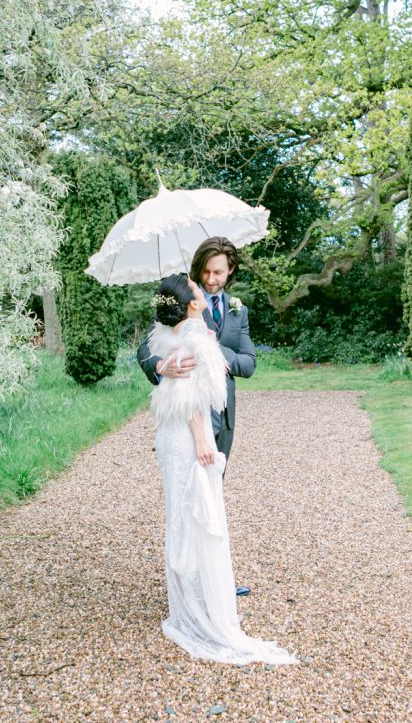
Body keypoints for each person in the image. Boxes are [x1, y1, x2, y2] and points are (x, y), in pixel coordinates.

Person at [146, 273, 297, 666]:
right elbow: (193, 395)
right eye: (197, 288)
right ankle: (201, 608)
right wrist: (200, 440)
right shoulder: (192, 339)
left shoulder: (171, 334)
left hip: (170, 435)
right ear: (192, 303)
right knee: (200, 513)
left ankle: (191, 597)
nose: (204, 286)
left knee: (181, 513)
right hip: (188, 434)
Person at [137, 236, 256, 597]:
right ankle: (197, 584)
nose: (210, 278)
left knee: (212, 498)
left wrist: (212, 350)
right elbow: (147, 347)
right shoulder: (184, 298)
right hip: (192, 421)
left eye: (217, 271)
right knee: (191, 498)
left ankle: (215, 577)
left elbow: (248, 364)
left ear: (230, 271)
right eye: (204, 270)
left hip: (223, 416)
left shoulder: (238, 310)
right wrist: (161, 365)